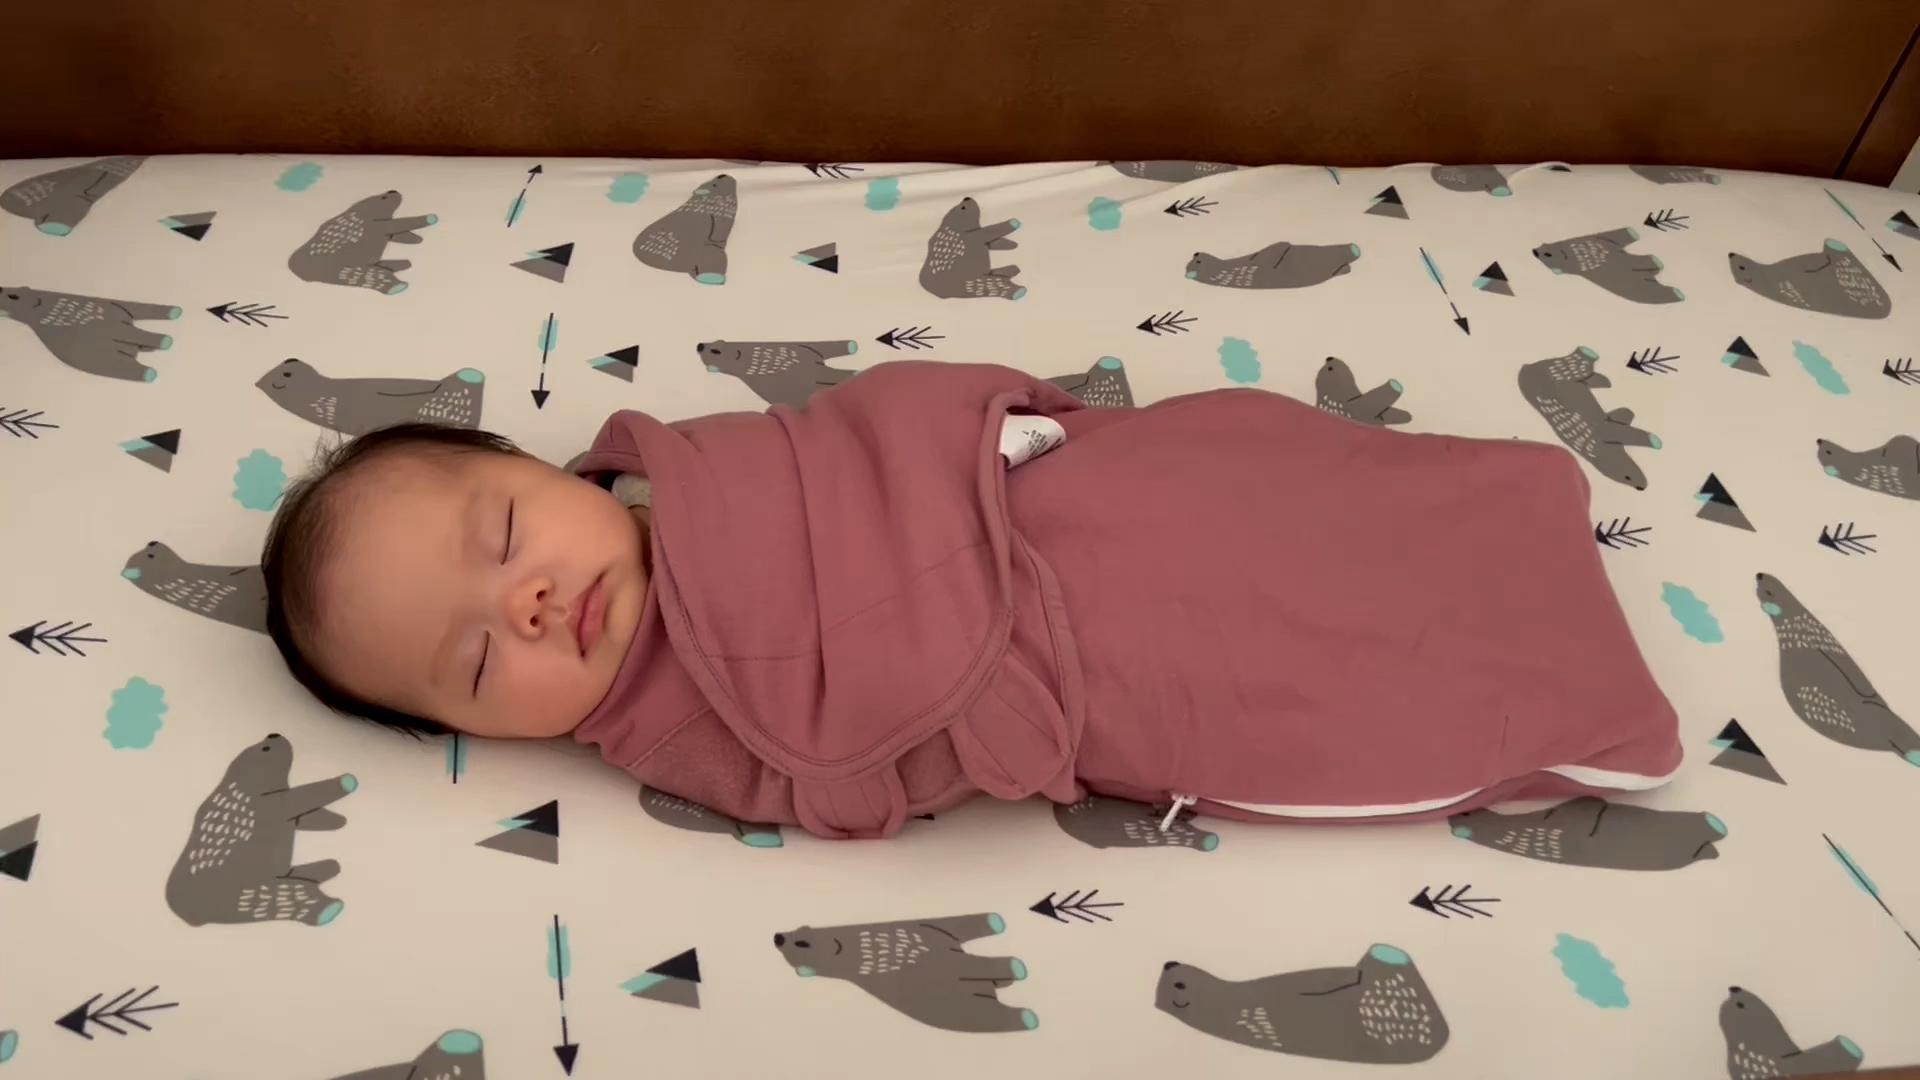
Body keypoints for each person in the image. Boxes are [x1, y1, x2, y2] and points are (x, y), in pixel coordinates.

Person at [262, 360, 1681, 840]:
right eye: (468, 662)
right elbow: (844, 780)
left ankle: (1487, 507)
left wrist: (976, 460)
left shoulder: (701, 467)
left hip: (1068, 499)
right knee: (1299, 677)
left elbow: (864, 438)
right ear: (480, 735)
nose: (525, 604)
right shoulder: (663, 730)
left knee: (1241, 470)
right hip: (1062, 649)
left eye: (507, 530)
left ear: (546, 466)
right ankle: (1556, 684)